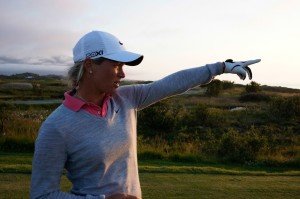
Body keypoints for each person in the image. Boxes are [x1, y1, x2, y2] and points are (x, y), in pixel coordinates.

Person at [30, 30, 261, 199]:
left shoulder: (126, 98)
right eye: (116, 65)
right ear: (90, 65)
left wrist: (221, 67)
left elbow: (170, 84)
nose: (122, 74)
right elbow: (42, 195)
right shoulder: (56, 127)